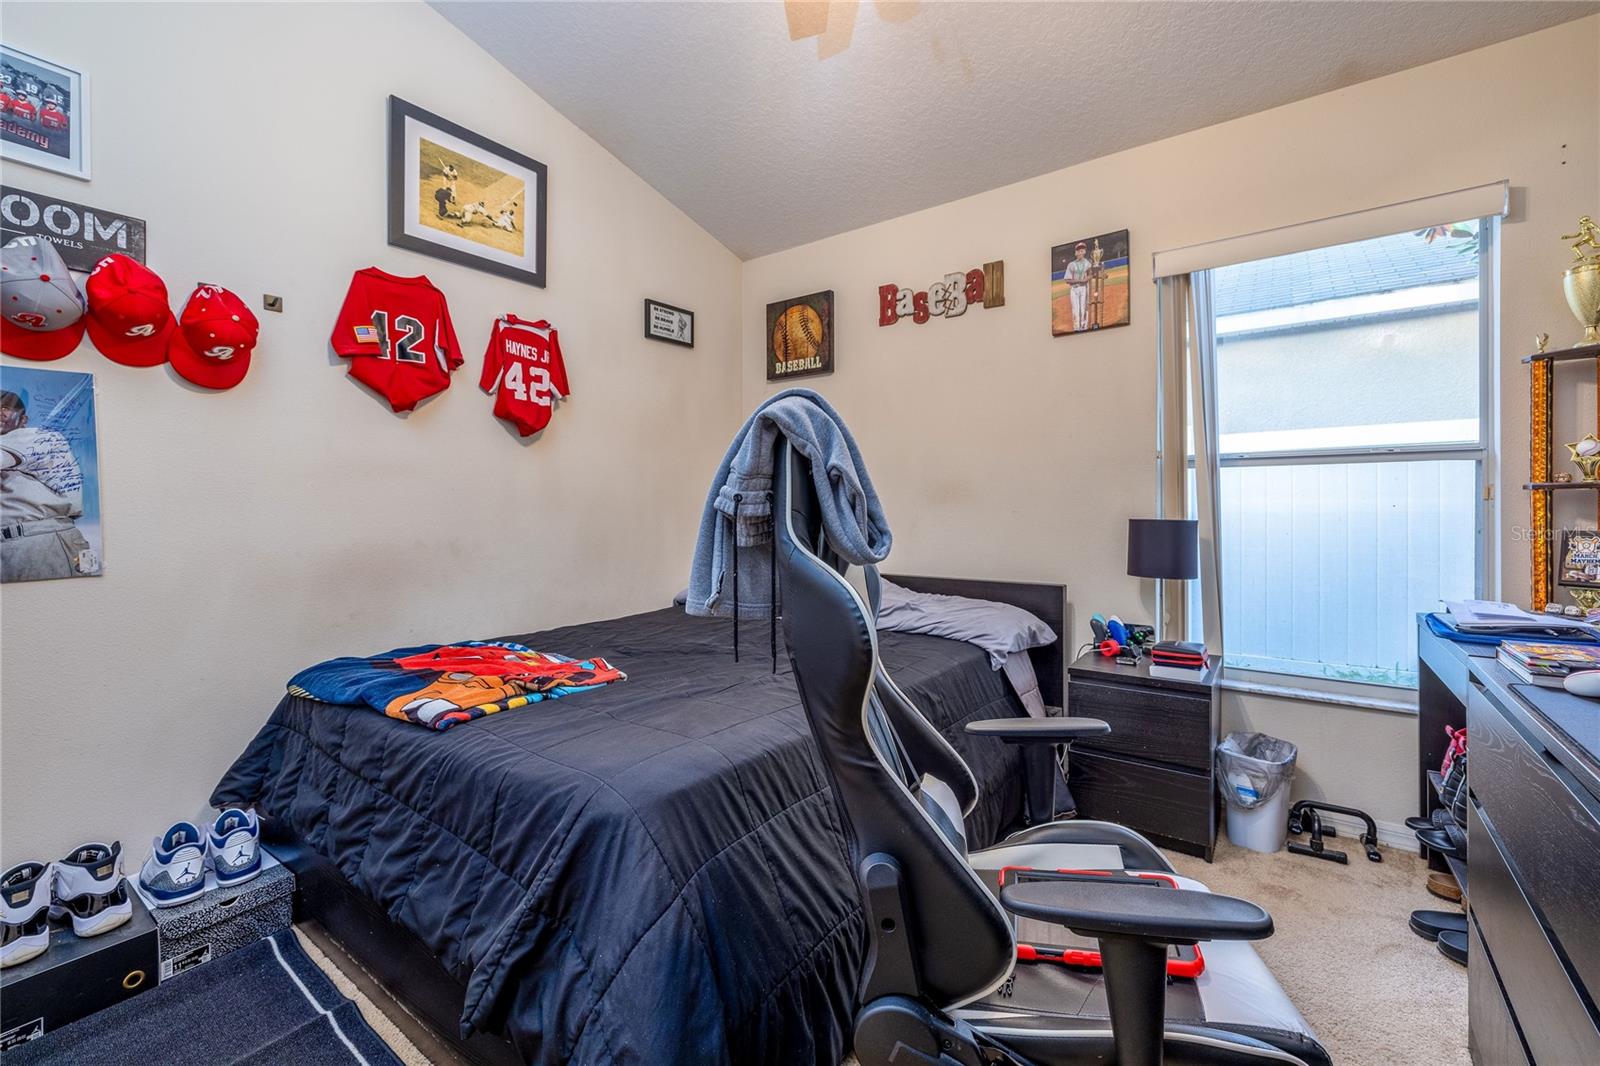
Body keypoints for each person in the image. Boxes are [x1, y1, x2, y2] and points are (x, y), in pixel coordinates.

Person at [0, 389, 97, 581]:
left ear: (23, 419)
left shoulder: (33, 436)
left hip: (41, 540)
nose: (0, 413)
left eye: (5, 408)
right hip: (16, 543)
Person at [1062, 241, 1092, 331]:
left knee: (1084, 309)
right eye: (1078, 250)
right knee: (1075, 310)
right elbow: (1067, 280)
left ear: (1085, 252)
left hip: (1084, 288)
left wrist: (1087, 278)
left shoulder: (1087, 263)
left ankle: (1084, 328)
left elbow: (1090, 274)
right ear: (1076, 253)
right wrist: (1081, 280)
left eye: (1082, 250)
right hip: (1074, 289)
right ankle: (1076, 329)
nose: (1080, 252)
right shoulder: (1071, 264)